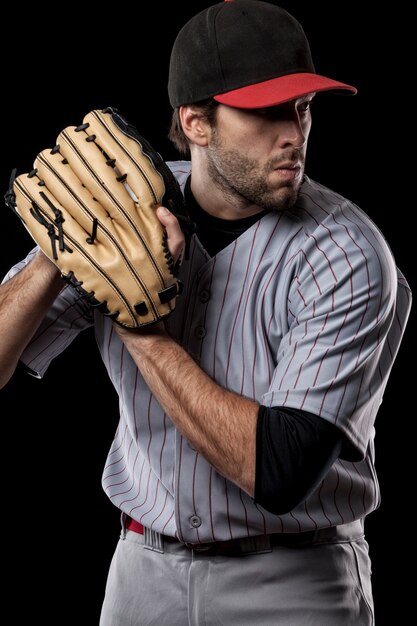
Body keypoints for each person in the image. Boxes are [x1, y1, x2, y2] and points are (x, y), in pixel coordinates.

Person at [0, 0, 411, 624]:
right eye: (268, 111)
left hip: (293, 579)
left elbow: (276, 471)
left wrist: (139, 320)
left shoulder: (346, 253)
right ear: (196, 122)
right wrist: (57, 256)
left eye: (302, 108)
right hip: (143, 569)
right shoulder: (122, 206)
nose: (294, 133)